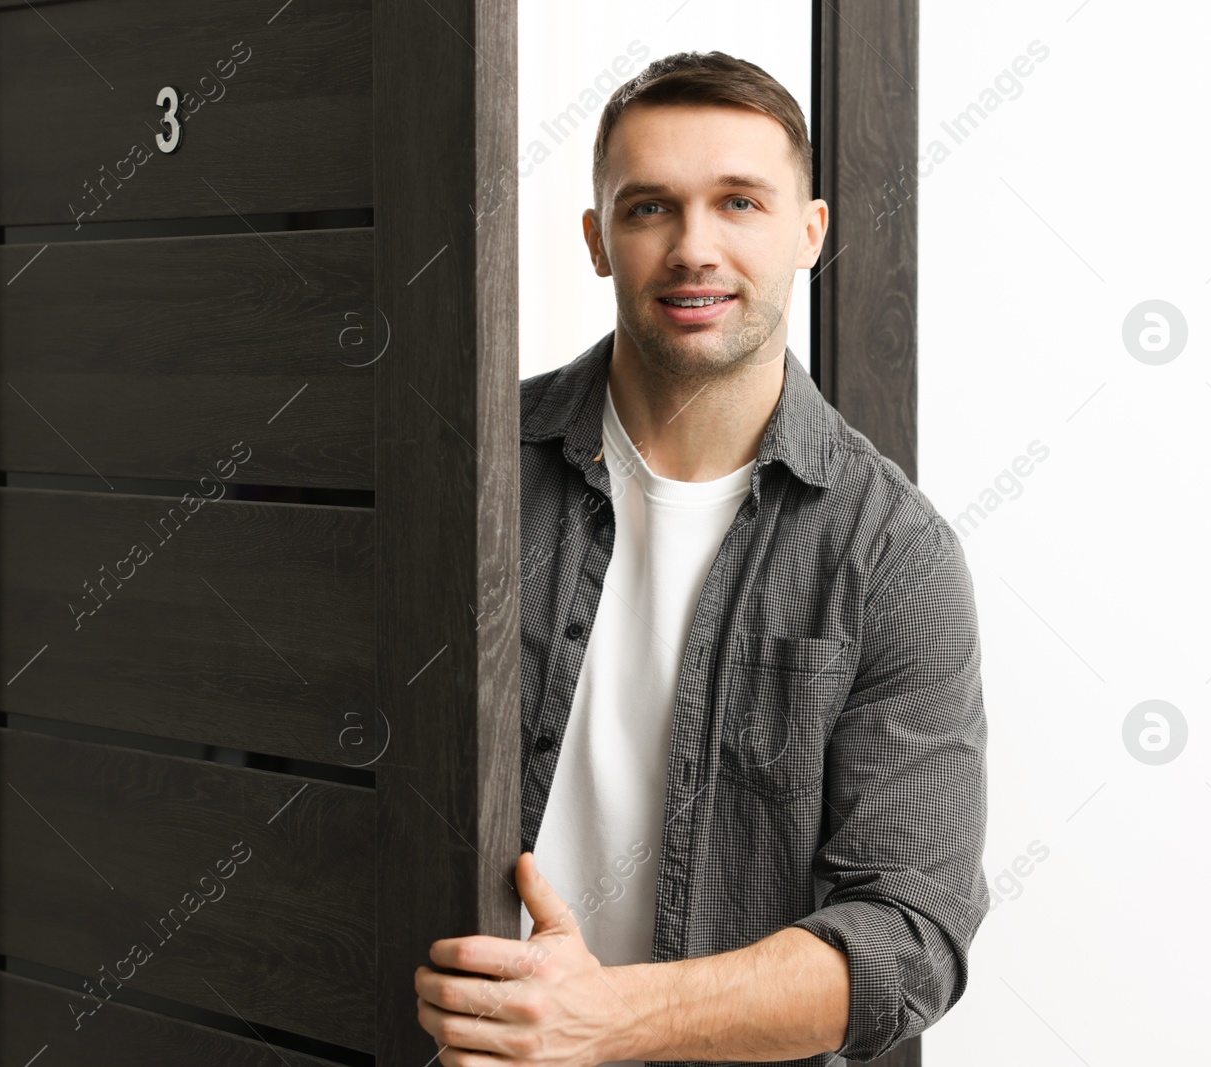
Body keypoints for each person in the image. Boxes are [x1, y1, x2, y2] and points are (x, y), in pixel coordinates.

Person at [415, 50, 988, 1067]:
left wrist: (609, 1017)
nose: (693, 248)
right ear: (597, 241)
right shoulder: (464, 475)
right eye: (648, 209)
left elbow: (909, 935)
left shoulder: (893, 554)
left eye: (738, 203)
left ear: (808, 231)